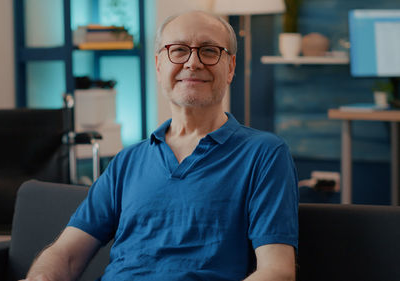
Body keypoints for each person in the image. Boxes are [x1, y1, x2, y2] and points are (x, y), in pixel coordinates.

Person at [22, 10, 298, 281]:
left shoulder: (264, 154)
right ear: (158, 65)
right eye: (178, 50)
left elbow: (277, 271)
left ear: (231, 67)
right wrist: (41, 277)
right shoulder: (127, 161)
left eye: (210, 51)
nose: (193, 63)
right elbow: (67, 254)